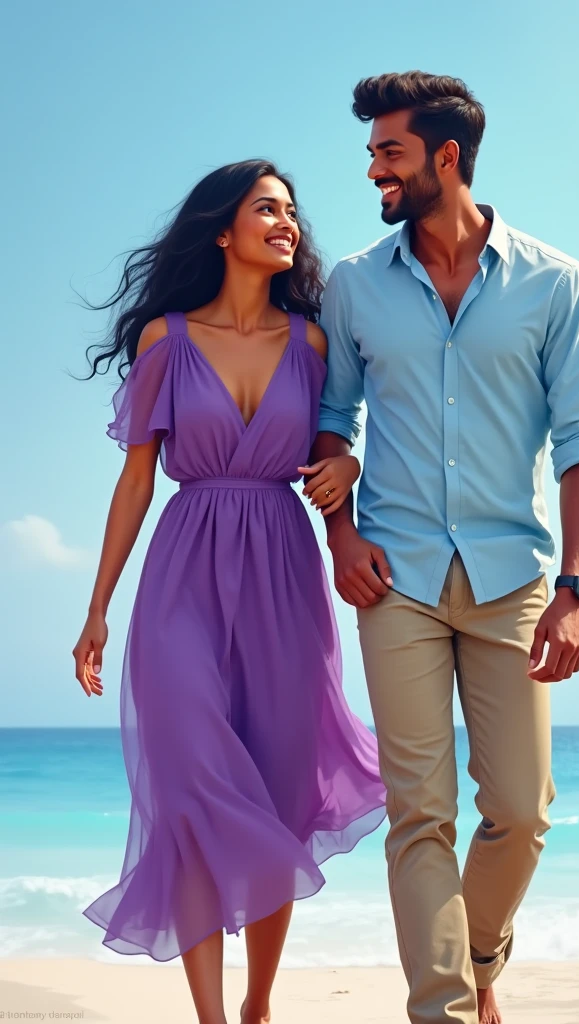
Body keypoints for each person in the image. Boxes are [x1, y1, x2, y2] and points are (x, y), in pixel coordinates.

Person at [308, 72, 579, 1024]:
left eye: (388, 152)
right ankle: (442, 1009)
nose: (373, 171)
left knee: (522, 813)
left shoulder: (553, 282)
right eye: (371, 154)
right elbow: (331, 423)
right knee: (421, 813)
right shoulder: (356, 285)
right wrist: (341, 532)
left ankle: (480, 952)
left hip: (512, 577)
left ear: (447, 157)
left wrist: (574, 589)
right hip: (391, 577)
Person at [72, 160, 386, 1024]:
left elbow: (338, 445)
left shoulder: (312, 342)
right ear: (223, 230)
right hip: (184, 572)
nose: (288, 223)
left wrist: (345, 475)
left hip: (285, 571)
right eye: (267, 209)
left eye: (291, 211)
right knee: (193, 784)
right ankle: (212, 1019)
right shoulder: (165, 341)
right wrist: (98, 607)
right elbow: (136, 480)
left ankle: (257, 1007)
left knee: (280, 789)